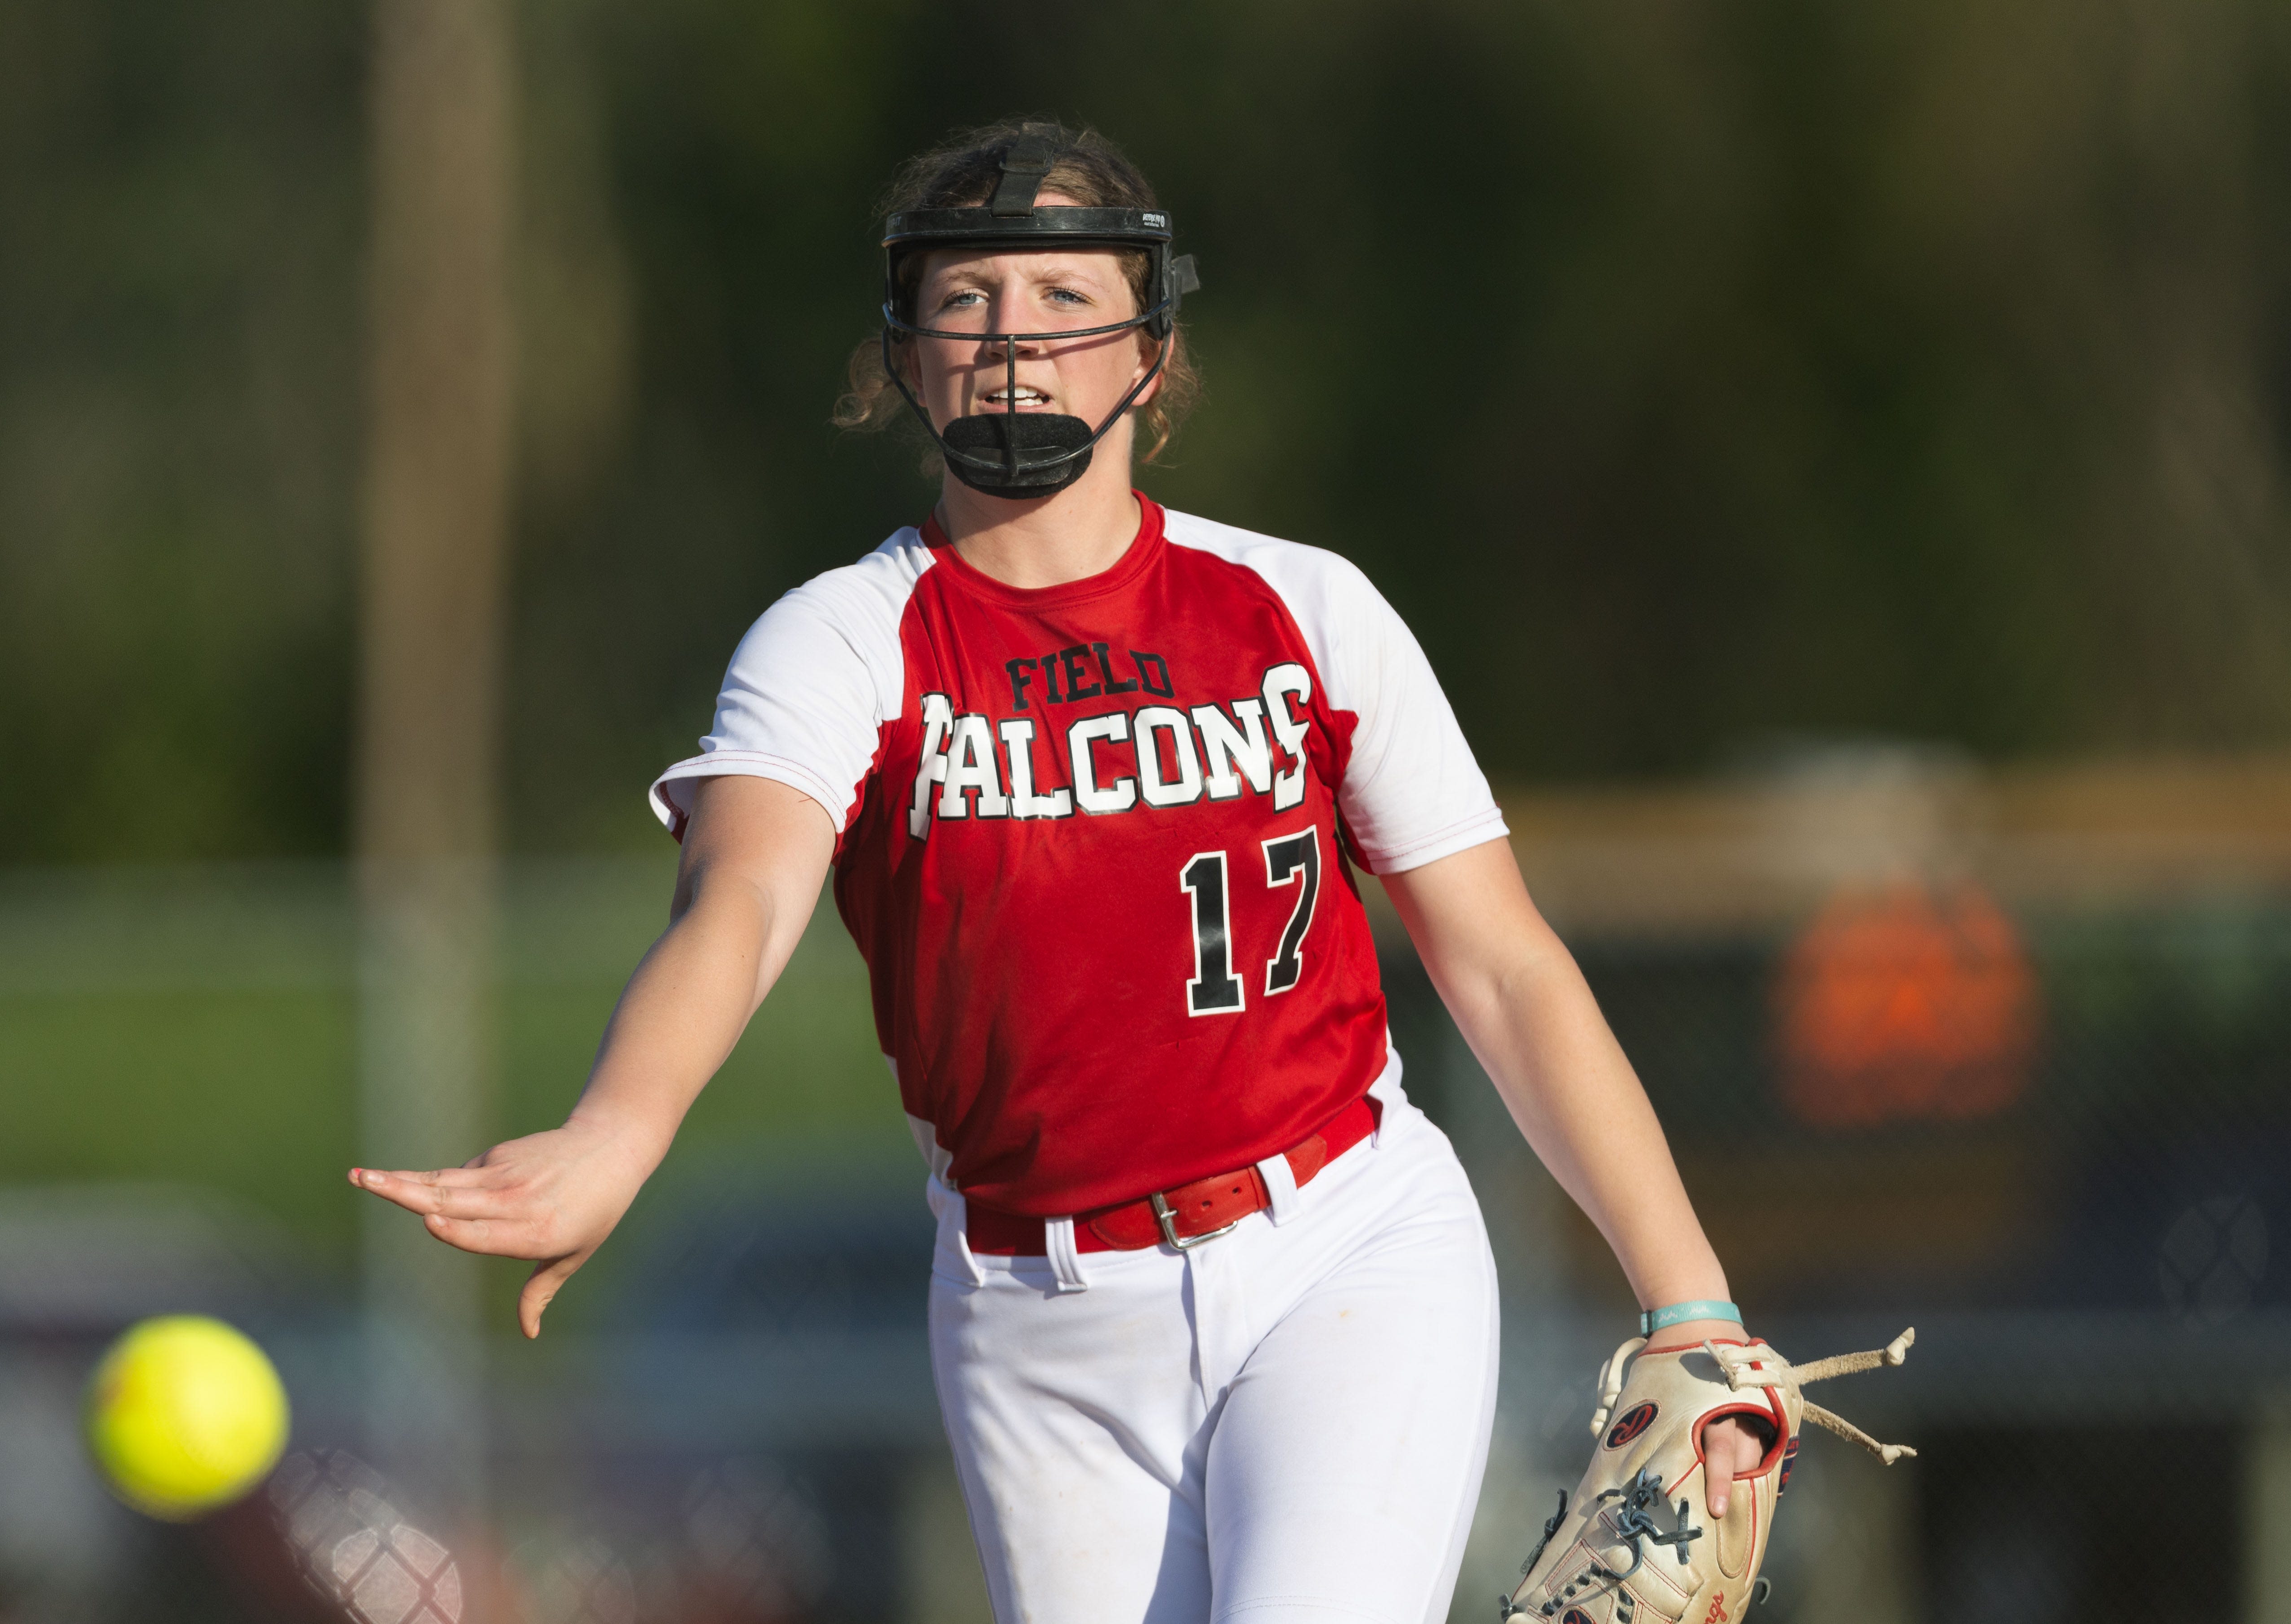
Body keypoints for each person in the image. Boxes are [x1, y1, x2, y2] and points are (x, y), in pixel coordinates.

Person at [351, 120, 1766, 1624]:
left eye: (1062, 298)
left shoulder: (1301, 606)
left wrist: (1693, 1310)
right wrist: (616, 1134)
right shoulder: (844, 637)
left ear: (1148, 350)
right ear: (905, 352)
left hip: (1339, 1251)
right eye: (966, 300)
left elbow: (1501, 963)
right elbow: (745, 899)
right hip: (1036, 1318)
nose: (1014, 342)